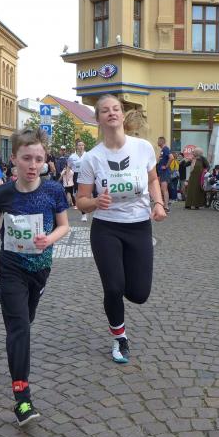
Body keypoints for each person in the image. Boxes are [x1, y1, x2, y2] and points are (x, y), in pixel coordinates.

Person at [0, 128, 70, 426]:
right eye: (26, 158)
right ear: (14, 159)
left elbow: (64, 226)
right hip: (11, 266)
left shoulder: (53, 190)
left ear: (45, 161)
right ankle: (22, 399)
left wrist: (49, 239)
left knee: (26, 318)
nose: (33, 165)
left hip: (40, 268)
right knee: (19, 329)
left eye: (38, 159)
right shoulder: (4, 193)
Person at [76, 94, 167, 365]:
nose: (112, 113)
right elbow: (81, 201)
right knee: (114, 288)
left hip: (139, 226)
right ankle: (120, 337)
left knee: (139, 294)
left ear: (122, 115)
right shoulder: (92, 158)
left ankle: (121, 282)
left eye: (116, 108)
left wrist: (158, 203)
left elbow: (153, 179)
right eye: (105, 110)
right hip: (106, 228)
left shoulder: (142, 148)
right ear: (98, 118)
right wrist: (96, 202)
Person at [157, 137, 174, 212]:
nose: (157, 142)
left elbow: (171, 157)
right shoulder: (162, 150)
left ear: (161, 141)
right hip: (161, 172)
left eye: (158, 141)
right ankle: (164, 205)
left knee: (164, 189)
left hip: (165, 172)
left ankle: (166, 207)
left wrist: (166, 166)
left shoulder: (166, 149)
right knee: (162, 189)